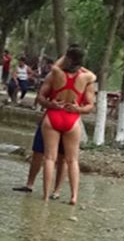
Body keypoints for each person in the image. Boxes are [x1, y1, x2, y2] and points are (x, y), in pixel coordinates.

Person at [36, 45, 96, 205]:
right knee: (72, 160)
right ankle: (74, 196)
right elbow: (91, 105)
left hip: (54, 115)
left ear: (66, 57)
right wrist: (80, 109)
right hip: (72, 117)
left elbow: (55, 66)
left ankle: (46, 195)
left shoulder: (57, 73)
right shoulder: (86, 78)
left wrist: (66, 56)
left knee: (49, 158)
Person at [12, 119, 67, 198]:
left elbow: (87, 108)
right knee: (38, 153)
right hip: (50, 119)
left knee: (61, 158)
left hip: (67, 123)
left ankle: (56, 191)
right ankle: (29, 185)